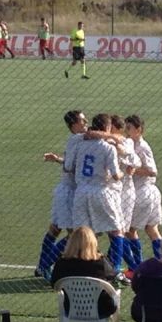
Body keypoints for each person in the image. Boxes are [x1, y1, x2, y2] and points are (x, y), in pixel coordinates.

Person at [64, 114, 125, 276]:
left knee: (81, 233)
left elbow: (69, 166)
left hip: (81, 192)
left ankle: (81, 267)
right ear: (106, 128)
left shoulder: (80, 145)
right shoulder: (108, 148)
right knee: (116, 231)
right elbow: (115, 175)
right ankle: (116, 270)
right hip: (101, 191)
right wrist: (123, 173)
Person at [36, 110, 89, 281]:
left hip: (65, 190)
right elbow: (69, 166)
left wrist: (57, 159)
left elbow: (67, 162)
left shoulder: (76, 139)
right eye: (82, 120)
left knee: (55, 229)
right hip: (69, 193)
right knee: (73, 234)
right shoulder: (77, 139)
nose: (86, 121)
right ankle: (45, 265)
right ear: (74, 124)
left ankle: (41, 266)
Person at [50, 226, 117, 322]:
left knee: (97, 299)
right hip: (100, 309)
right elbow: (112, 277)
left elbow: (54, 284)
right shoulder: (101, 263)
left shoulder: (62, 263)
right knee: (101, 298)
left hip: (71, 307)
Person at [124, 115, 162, 269]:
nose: (126, 132)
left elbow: (152, 171)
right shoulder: (133, 144)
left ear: (138, 130)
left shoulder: (141, 147)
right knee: (152, 229)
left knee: (129, 231)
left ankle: (137, 267)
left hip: (142, 192)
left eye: (129, 128)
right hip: (150, 193)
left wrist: (132, 171)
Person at [110, 115, 141, 275]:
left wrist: (130, 166)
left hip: (126, 193)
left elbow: (136, 161)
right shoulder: (106, 142)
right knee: (115, 231)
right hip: (113, 192)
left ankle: (134, 267)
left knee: (120, 231)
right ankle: (131, 266)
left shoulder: (126, 141)